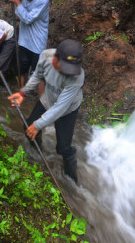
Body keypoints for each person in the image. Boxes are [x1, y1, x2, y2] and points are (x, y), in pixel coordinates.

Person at [8, 39, 85, 184]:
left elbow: (60, 107)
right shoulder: (45, 56)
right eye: (65, 66)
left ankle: (72, 181)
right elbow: (38, 75)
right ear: (56, 58)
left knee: (63, 148)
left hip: (67, 108)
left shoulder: (77, 77)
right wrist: (23, 93)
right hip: (48, 98)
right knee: (28, 127)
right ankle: (38, 153)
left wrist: (39, 125)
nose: (67, 72)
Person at [3, 0, 50, 87]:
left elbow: (28, 19)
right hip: (24, 42)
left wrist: (17, 1)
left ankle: (41, 103)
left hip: (37, 45)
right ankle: (20, 95)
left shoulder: (43, 1)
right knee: (20, 71)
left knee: (38, 76)